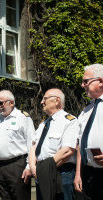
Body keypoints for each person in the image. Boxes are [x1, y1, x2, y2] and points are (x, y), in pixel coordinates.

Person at [29, 88, 80, 200]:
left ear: (57, 100)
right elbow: (33, 147)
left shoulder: (69, 121)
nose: (42, 102)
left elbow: (67, 151)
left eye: (45, 99)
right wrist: (33, 168)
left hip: (61, 174)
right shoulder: (43, 124)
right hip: (41, 174)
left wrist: (45, 168)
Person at [0, 90, 35, 200]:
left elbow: (32, 143)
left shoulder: (23, 117)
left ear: (11, 103)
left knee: (20, 197)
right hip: (0, 166)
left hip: (17, 165)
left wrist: (29, 166)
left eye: (1, 103)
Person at [74, 64, 103, 199]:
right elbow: (80, 144)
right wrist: (78, 174)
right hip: (88, 174)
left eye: (86, 81)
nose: (82, 85)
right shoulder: (86, 111)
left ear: (101, 81)